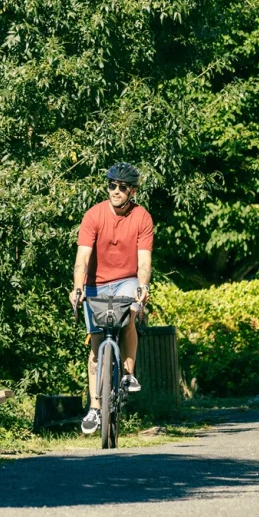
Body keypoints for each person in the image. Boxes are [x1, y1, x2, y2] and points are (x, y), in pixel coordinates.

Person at [70, 163, 153, 435]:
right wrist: (77, 288)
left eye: (122, 187)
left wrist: (142, 287)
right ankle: (95, 406)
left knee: (129, 315)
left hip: (127, 279)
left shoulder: (142, 217)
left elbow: (143, 261)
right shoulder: (94, 215)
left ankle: (127, 374)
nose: (116, 191)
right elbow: (82, 258)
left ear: (133, 191)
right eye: (112, 185)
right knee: (95, 346)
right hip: (95, 283)